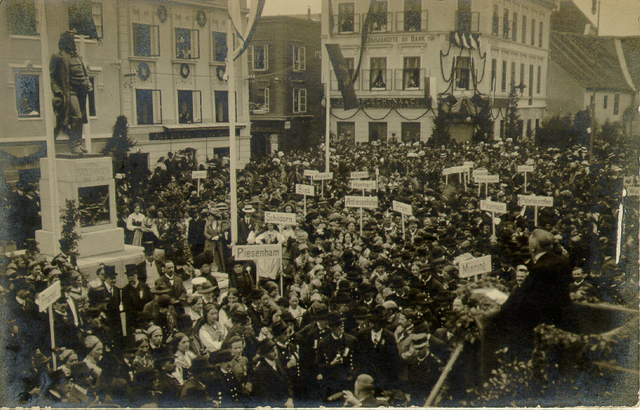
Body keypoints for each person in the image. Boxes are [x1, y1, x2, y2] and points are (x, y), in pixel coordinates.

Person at [50, 30, 93, 154]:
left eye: (73, 41)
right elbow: (52, 78)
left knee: (81, 119)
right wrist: (57, 91)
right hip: (69, 91)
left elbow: (84, 73)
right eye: (69, 40)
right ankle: (74, 145)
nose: (72, 43)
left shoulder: (77, 56)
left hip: (81, 92)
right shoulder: (58, 57)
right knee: (77, 117)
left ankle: (78, 144)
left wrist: (88, 83)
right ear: (63, 42)